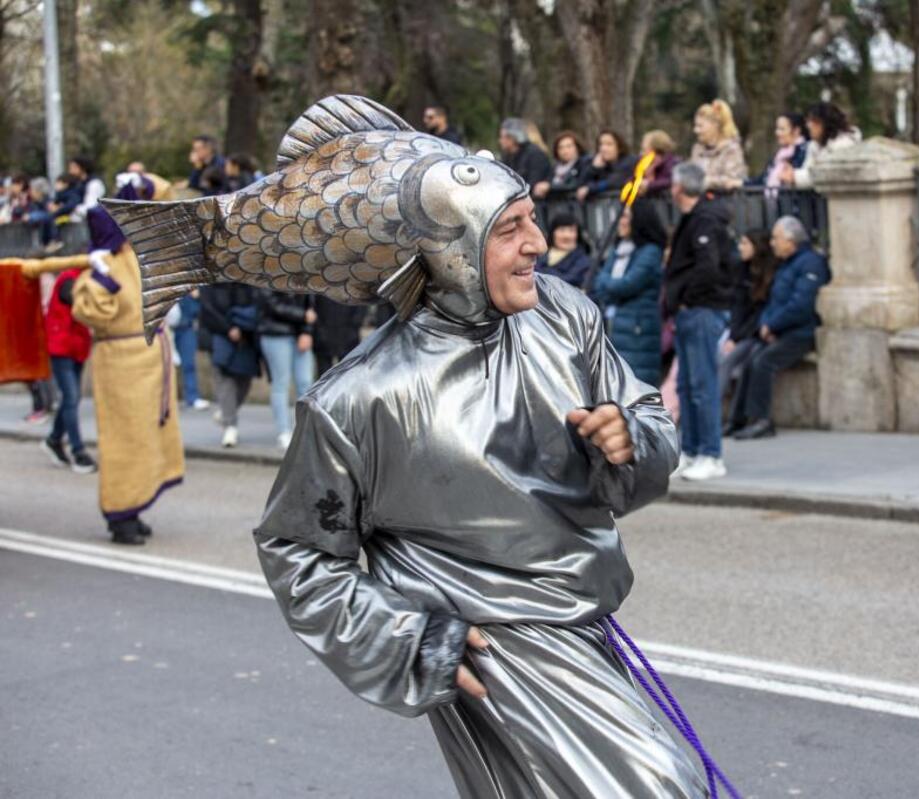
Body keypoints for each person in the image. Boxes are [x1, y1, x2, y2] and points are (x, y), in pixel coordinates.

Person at [110, 94, 712, 795]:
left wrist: (630, 437)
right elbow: (298, 550)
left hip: (586, 628)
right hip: (498, 654)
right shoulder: (356, 399)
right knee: (662, 786)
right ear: (451, 247)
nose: (538, 245)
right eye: (509, 229)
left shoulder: (565, 314)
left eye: (531, 221)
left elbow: (644, 420)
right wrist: (407, 639)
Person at [4, 181, 185, 545]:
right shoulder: (105, 266)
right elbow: (95, 314)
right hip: (121, 362)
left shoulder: (139, 255)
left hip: (149, 359)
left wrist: (142, 186)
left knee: (148, 437)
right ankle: (121, 513)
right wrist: (98, 282)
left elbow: (166, 197)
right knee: (125, 439)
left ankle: (135, 506)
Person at [665, 161, 735, 481]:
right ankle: (691, 451)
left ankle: (710, 453)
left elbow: (708, 267)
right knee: (686, 385)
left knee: (702, 386)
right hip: (690, 311)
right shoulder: (695, 219)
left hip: (701, 310)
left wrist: (686, 297)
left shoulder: (705, 221)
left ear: (680, 188)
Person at [729, 217, 829, 440]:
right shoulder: (786, 263)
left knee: (763, 362)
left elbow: (801, 304)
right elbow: (773, 301)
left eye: (776, 238)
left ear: (791, 241)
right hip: (779, 330)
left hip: (800, 332)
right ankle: (738, 419)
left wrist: (772, 324)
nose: (772, 243)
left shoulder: (809, 263)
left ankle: (761, 420)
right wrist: (767, 325)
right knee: (750, 360)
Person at [591, 202, 666, 386]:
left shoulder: (650, 251)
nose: (620, 221)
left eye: (625, 217)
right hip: (615, 326)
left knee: (637, 386)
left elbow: (628, 284)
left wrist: (608, 284)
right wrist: (609, 285)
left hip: (638, 331)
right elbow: (599, 282)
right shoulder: (619, 249)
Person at [37, 261, 96, 473]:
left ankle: (54, 439)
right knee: (71, 398)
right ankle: (78, 451)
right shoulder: (69, 279)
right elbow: (80, 305)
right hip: (62, 348)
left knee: (72, 399)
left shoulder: (85, 277)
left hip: (76, 348)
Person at [720, 229, 774, 435]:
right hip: (742, 332)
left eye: (744, 244)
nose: (740, 248)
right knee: (724, 359)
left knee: (738, 361)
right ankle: (728, 418)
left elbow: (759, 312)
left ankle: (733, 417)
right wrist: (733, 336)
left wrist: (739, 336)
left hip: (756, 333)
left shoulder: (769, 274)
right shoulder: (741, 270)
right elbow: (737, 307)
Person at [200, 282, 260, 448]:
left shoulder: (245, 279)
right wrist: (228, 329)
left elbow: (255, 301)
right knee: (225, 381)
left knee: (244, 381)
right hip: (218, 335)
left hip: (246, 335)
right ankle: (230, 426)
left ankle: (226, 412)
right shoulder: (210, 281)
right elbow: (208, 309)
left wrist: (241, 326)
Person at [256, 289, 317, 449]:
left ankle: (305, 430)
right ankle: (284, 431)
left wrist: (306, 331)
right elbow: (271, 304)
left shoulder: (302, 270)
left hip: (300, 334)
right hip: (275, 333)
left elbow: (310, 302)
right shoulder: (267, 272)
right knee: (280, 383)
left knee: (306, 384)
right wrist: (302, 316)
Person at [793, 102, 862, 190]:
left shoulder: (843, 145)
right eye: (808, 121)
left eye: (814, 121)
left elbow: (829, 175)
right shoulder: (814, 146)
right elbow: (809, 170)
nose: (809, 125)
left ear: (826, 124)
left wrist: (796, 177)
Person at [689, 99, 748, 192]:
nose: (696, 130)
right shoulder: (697, 149)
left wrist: (707, 182)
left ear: (715, 125)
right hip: (698, 203)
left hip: (725, 203)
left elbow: (732, 179)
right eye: (695, 126)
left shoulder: (731, 149)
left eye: (700, 126)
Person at [171, 289, 209, 410]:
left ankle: (192, 397)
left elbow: (197, 308)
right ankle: (169, 399)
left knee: (189, 363)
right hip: (166, 328)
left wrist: (196, 298)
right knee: (166, 365)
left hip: (185, 326)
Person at [748, 113, 808, 188]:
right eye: (777, 129)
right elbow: (763, 179)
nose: (777, 133)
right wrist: (740, 182)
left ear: (796, 130)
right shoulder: (780, 155)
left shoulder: (804, 151)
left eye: (782, 129)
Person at [576, 130, 637, 202]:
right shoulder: (596, 162)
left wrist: (590, 188)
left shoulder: (629, 161)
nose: (603, 148)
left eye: (609, 144)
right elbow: (581, 183)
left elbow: (615, 181)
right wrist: (594, 168)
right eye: (601, 144)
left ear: (619, 146)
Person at [534, 213, 591, 289]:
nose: (566, 235)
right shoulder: (540, 254)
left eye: (571, 231)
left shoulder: (583, 261)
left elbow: (567, 281)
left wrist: (543, 272)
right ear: (553, 233)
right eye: (562, 230)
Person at [498, 117, 553, 188]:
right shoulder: (508, 156)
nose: (500, 141)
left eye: (504, 137)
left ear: (514, 137)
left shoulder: (534, 154)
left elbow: (532, 184)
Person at [534, 131, 589, 199]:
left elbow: (576, 184)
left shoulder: (584, 164)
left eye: (569, 146)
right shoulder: (554, 168)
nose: (565, 151)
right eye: (560, 147)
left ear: (577, 147)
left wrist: (550, 187)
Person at [637, 129, 680, 196]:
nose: (642, 153)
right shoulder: (645, 162)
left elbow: (670, 181)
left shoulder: (672, 162)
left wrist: (649, 185)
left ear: (655, 147)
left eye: (644, 149)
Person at [66, 157, 106, 221]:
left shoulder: (94, 183)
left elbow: (91, 208)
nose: (71, 171)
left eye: (74, 168)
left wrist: (71, 207)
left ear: (83, 168)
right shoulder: (78, 183)